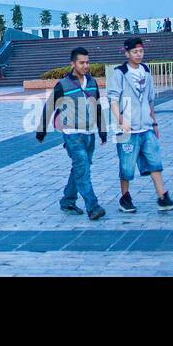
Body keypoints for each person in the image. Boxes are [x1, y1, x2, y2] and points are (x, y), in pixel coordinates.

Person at [107, 36, 173, 213]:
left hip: (146, 127)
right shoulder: (119, 73)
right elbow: (113, 99)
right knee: (126, 167)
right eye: (135, 52)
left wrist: (154, 123)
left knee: (155, 162)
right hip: (125, 129)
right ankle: (125, 198)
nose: (139, 54)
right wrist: (121, 121)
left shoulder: (146, 71)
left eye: (141, 51)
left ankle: (163, 197)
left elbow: (150, 100)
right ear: (127, 53)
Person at [36, 46, 109, 220]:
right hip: (72, 134)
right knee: (82, 167)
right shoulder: (63, 85)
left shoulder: (91, 83)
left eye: (87, 62)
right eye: (82, 63)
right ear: (73, 63)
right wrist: (41, 130)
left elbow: (97, 107)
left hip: (89, 133)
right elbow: (49, 106)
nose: (86, 66)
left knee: (80, 168)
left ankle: (68, 201)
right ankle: (93, 206)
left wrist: (102, 130)